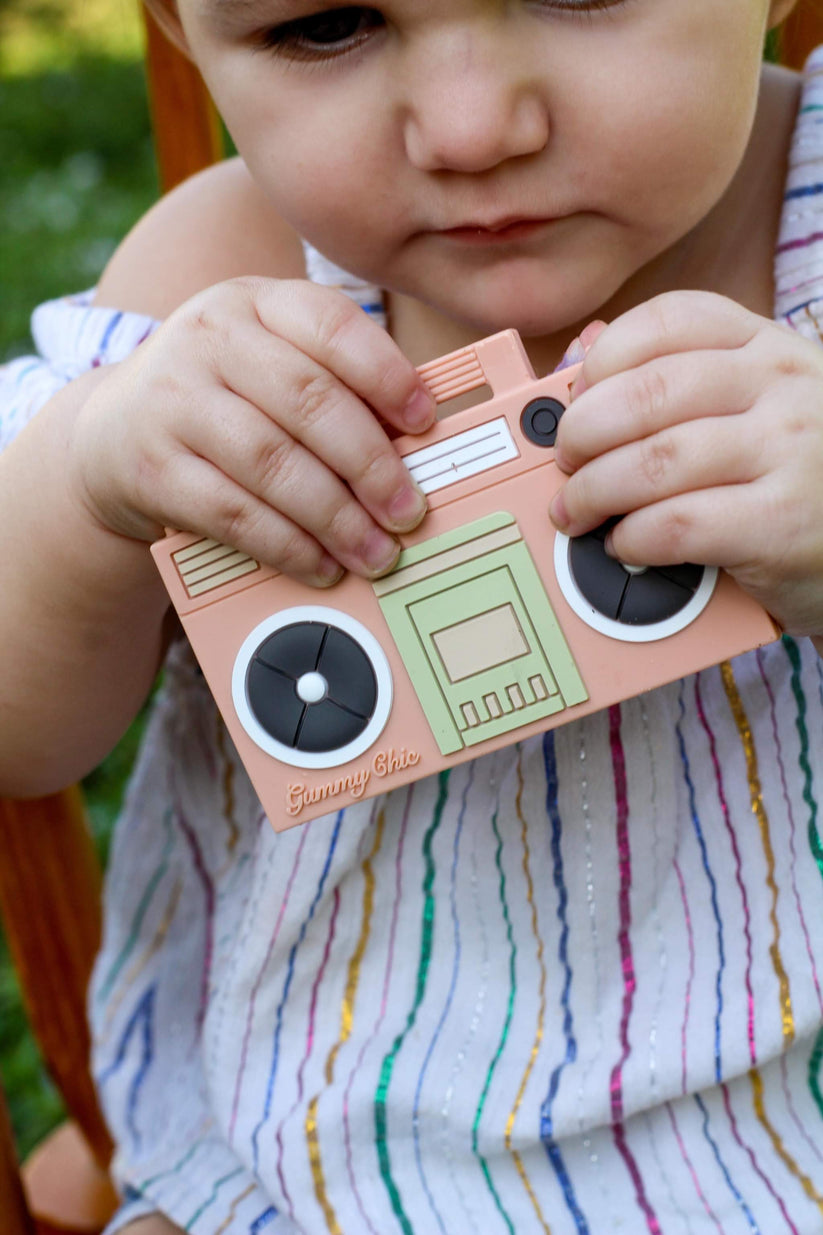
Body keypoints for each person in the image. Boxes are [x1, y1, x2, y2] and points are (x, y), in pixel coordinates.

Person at [2, 0, 823, 1230]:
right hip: (321, 1156)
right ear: (180, 27)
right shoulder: (219, 282)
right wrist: (89, 477)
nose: (471, 128)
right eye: (324, 25)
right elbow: (26, 735)